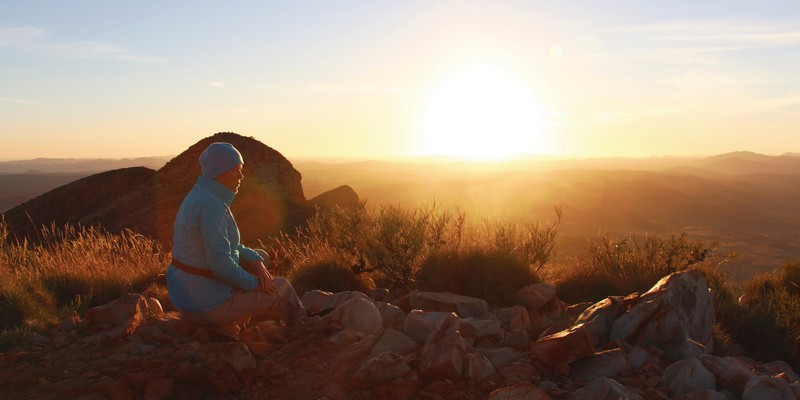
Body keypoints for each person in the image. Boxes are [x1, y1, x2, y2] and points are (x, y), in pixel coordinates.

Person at [166, 142, 306, 339]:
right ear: (219, 172)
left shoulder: (200, 195)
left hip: (186, 293)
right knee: (281, 287)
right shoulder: (212, 206)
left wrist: (255, 261)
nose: (241, 176)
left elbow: (230, 247)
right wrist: (256, 284)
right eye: (236, 170)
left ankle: (247, 309)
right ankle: (302, 327)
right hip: (206, 303)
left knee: (261, 256)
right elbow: (221, 266)